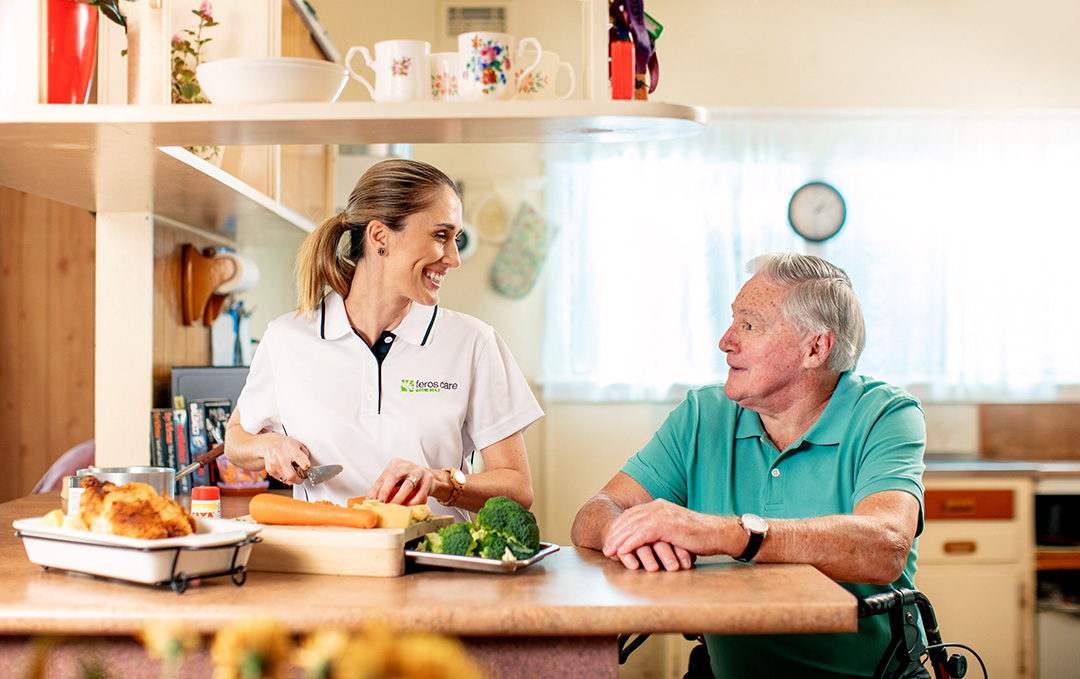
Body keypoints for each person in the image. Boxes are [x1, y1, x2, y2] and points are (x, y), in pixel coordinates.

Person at [571, 252, 926, 679]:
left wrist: (723, 533)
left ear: (815, 347)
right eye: (733, 321)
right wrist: (625, 531)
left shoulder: (885, 414)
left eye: (750, 325)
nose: (725, 340)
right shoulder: (703, 414)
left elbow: (886, 546)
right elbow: (596, 510)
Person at [225, 159, 543, 521]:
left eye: (455, 239)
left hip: (437, 565)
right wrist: (270, 445)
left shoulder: (474, 343)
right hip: (328, 560)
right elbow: (236, 438)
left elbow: (518, 489)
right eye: (441, 236)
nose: (453, 258)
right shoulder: (287, 338)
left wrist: (439, 481)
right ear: (380, 237)